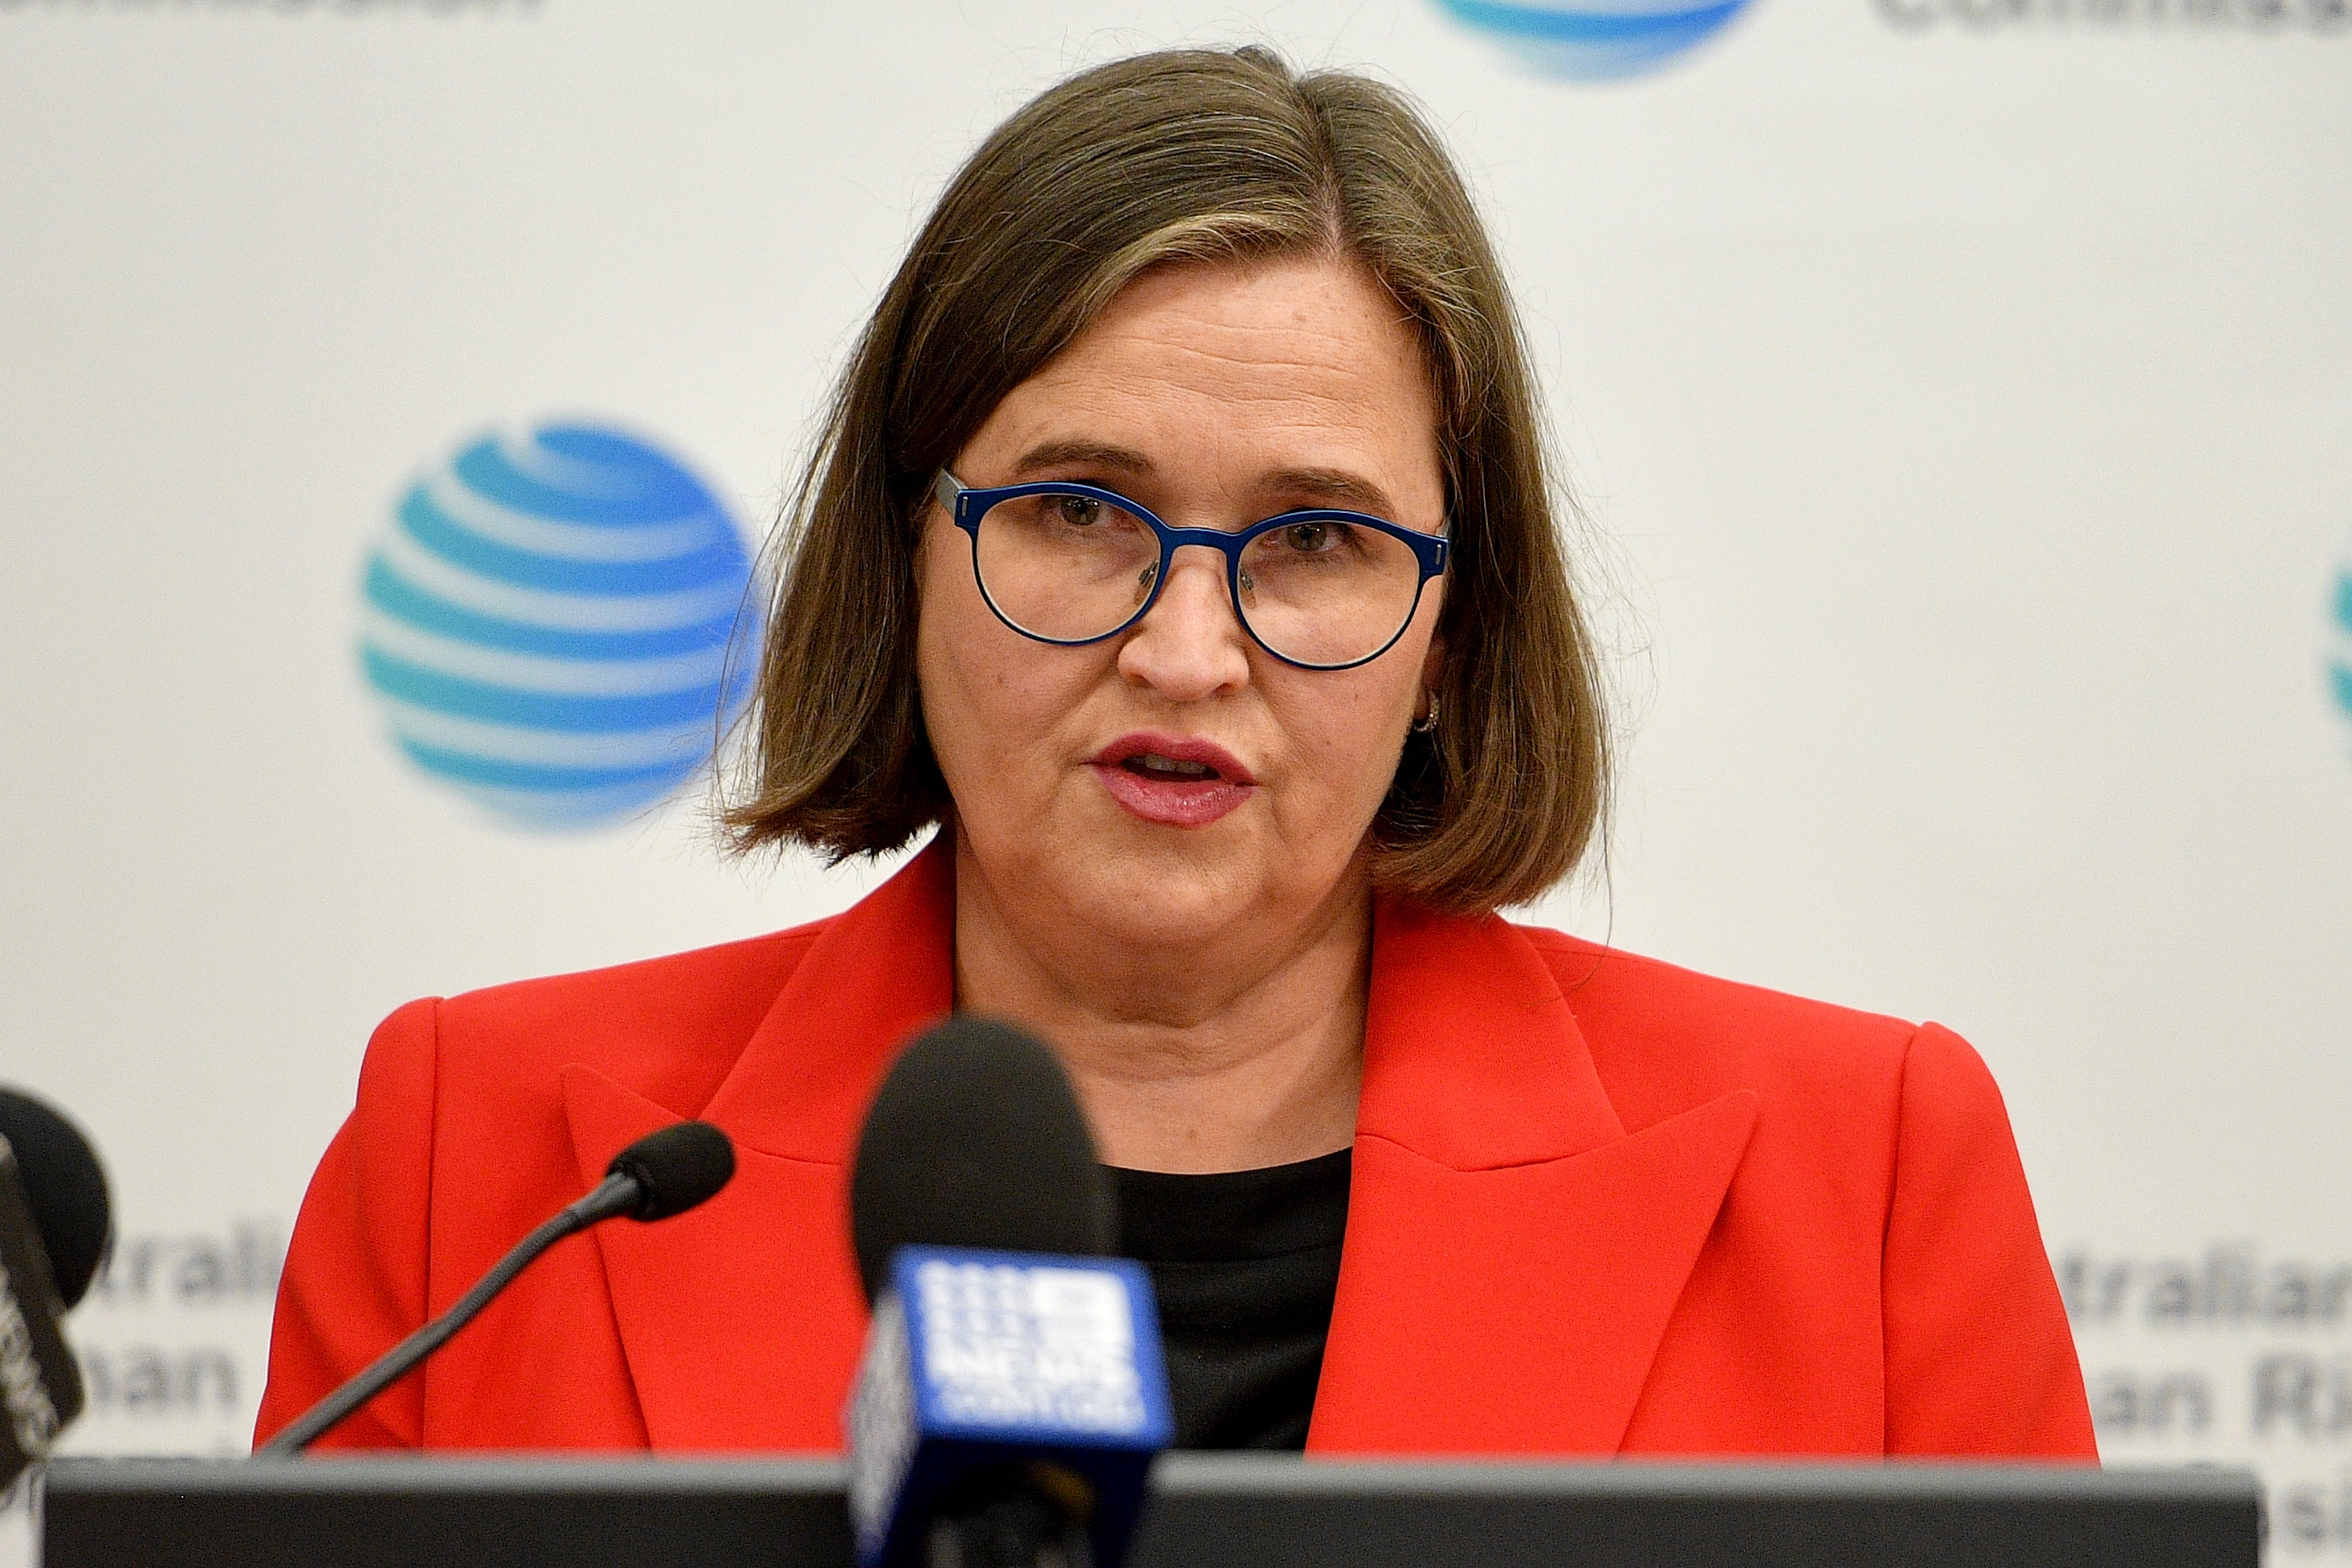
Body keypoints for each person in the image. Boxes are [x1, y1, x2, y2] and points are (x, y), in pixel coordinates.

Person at [255, 45, 2096, 1458]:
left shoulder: (1860, 1182)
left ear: (1452, 635)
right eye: (1076, 509)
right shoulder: (486, 1167)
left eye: (1315, 540)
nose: (1183, 649)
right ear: (907, 550)